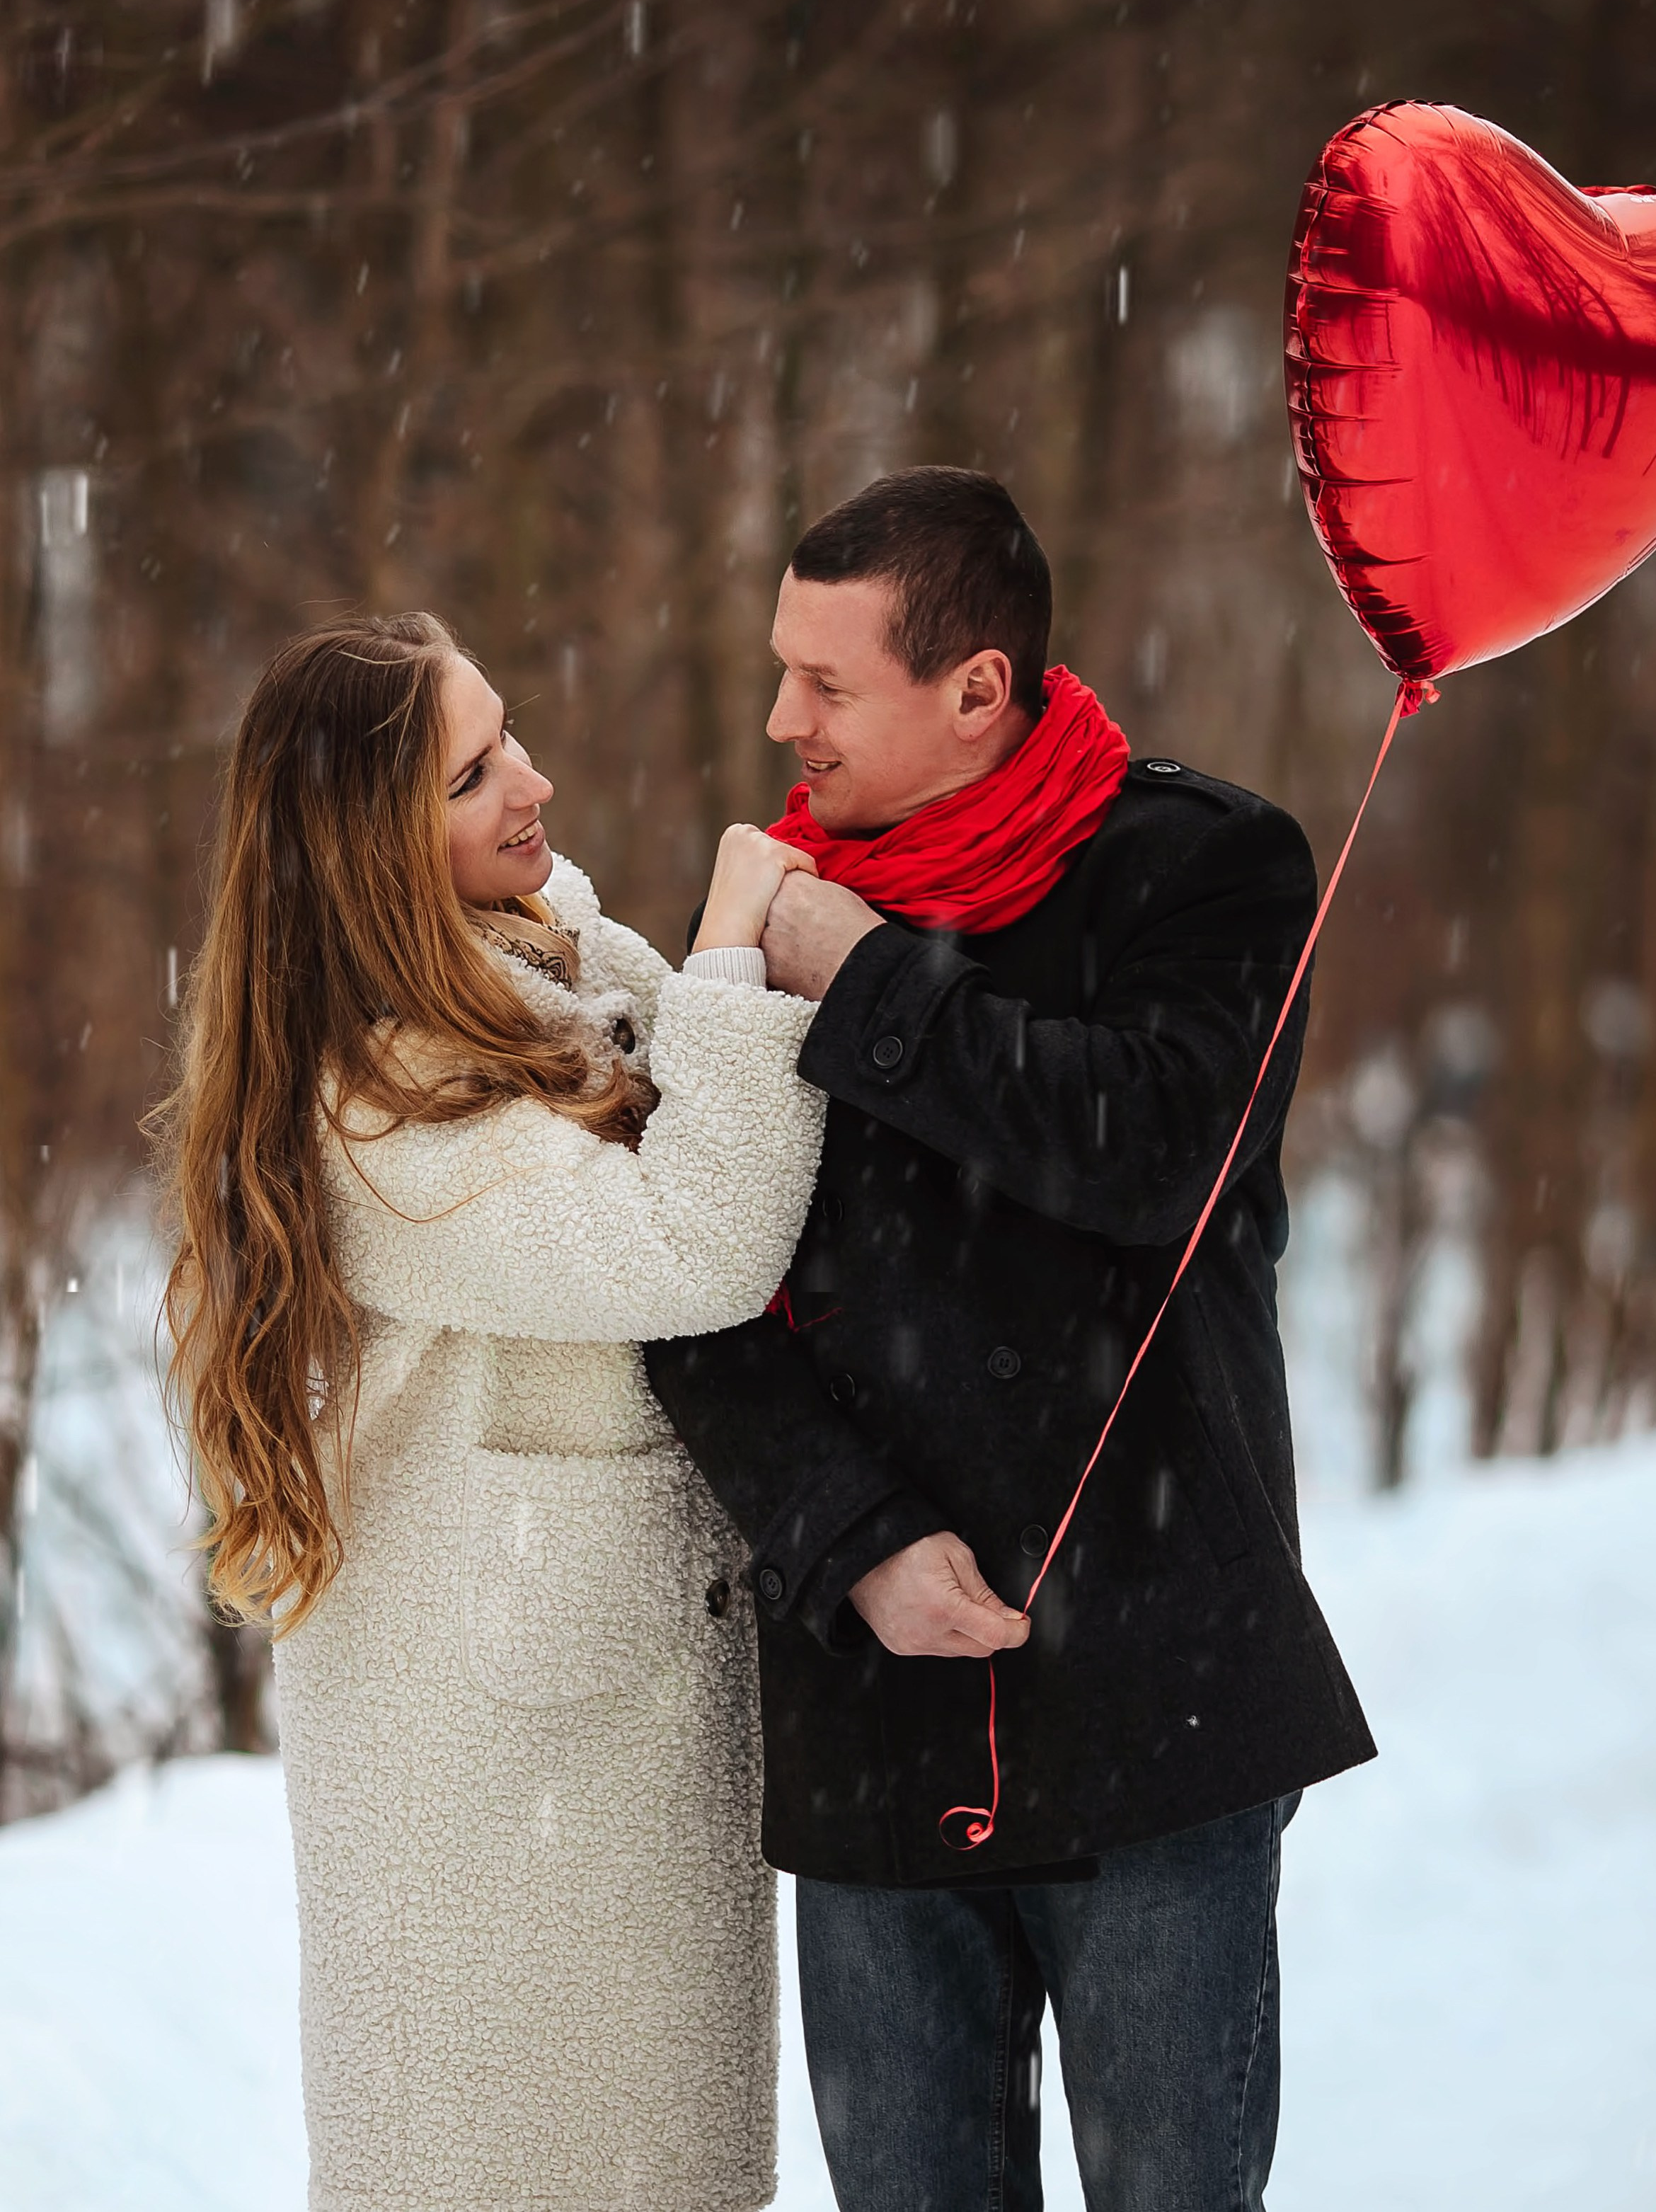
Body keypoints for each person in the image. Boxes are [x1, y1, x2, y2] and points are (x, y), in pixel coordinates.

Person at [646, 469, 1376, 2212]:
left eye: (827, 683)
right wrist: (856, 1540)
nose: (778, 720)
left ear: (978, 687)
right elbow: (687, 1286)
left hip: (1155, 1699)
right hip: (873, 1719)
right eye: (777, 669)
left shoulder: (1206, 865)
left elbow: (1139, 1152)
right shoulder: (762, 905)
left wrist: (865, 971)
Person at [157, 614, 822, 2212]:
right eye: (472, 776)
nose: (531, 781)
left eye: (506, 733)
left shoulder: (533, 958)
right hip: (489, 1804)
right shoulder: (376, 1096)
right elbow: (700, 1237)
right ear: (380, 851)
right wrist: (734, 932)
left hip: (583, 1754)